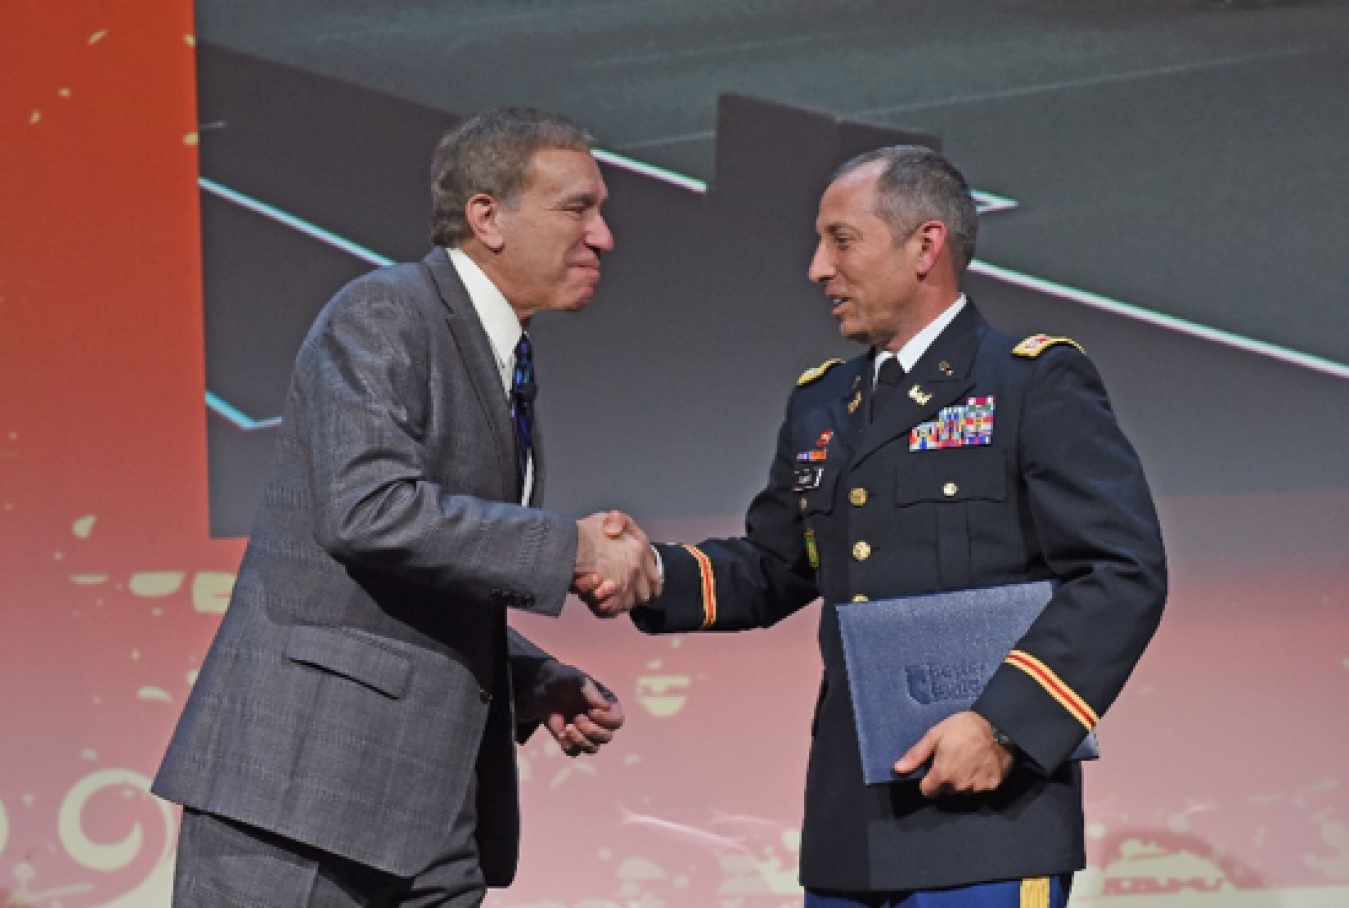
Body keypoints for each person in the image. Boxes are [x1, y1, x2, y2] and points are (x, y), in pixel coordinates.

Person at [618, 146, 1167, 907]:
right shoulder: (821, 402)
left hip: (988, 818)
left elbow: (1121, 571)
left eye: (842, 241)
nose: (816, 268)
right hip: (853, 824)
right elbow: (776, 564)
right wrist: (648, 572)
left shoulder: (1029, 380)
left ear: (925, 246)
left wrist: (1006, 728)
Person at [153, 108, 660, 907]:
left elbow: (414, 578)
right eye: (577, 208)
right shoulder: (384, 313)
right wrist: (573, 550)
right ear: (486, 216)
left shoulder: (504, 355)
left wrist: (528, 675)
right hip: (305, 797)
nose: (602, 236)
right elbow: (368, 510)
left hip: (430, 814)